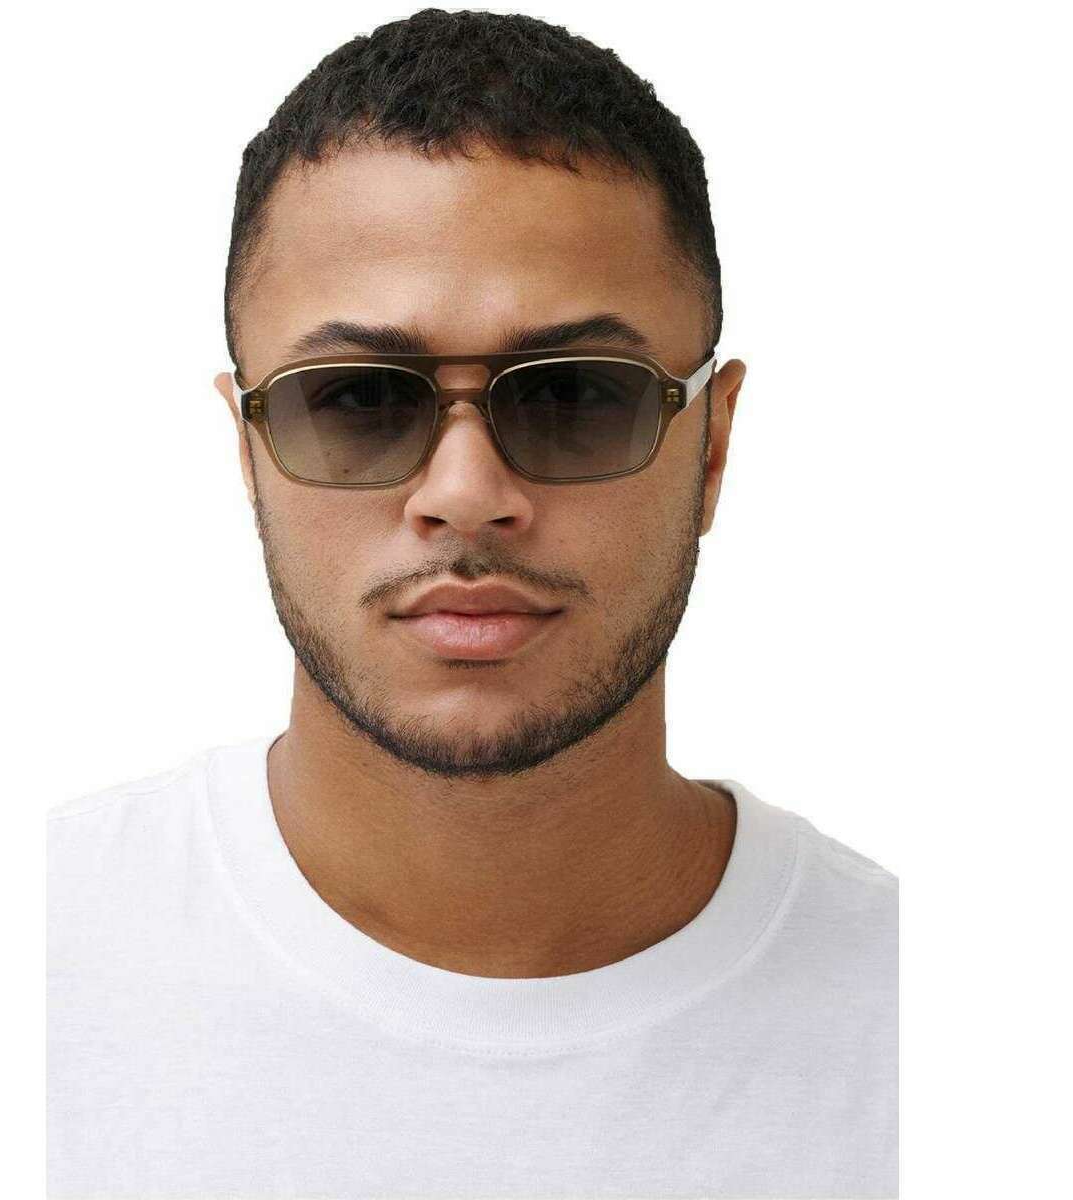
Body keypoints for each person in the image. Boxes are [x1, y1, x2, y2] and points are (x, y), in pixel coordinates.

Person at [47, 9, 897, 1198]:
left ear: (711, 448)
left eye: (578, 395)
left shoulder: (939, 1029)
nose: (464, 495)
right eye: (356, 400)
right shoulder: (8, 974)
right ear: (248, 452)